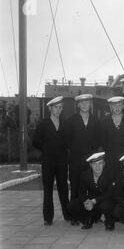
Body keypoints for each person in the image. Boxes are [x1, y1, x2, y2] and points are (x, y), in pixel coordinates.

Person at [32, 96, 72, 226]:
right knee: (48, 190)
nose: (58, 110)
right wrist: (46, 149)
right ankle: (48, 218)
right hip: (48, 162)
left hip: (61, 161)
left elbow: (67, 141)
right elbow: (35, 141)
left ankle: (67, 215)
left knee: (64, 189)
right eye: (56, 107)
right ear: (50, 108)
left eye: (60, 107)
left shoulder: (65, 123)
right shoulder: (43, 123)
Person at [65, 94, 101, 202]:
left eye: (87, 103)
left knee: (91, 187)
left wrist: (92, 151)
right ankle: (74, 214)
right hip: (75, 160)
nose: (85, 105)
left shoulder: (95, 120)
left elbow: (99, 138)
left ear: (90, 104)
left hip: (91, 160)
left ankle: (90, 215)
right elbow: (67, 139)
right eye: (82, 103)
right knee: (75, 186)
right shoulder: (71, 120)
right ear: (78, 105)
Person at [67, 152, 116, 230]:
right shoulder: (85, 175)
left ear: (104, 164)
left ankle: (109, 222)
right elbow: (81, 191)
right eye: (94, 164)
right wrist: (85, 201)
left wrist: (94, 201)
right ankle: (88, 219)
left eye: (100, 163)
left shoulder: (110, 174)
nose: (97, 167)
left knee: (106, 205)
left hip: (105, 199)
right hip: (92, 200)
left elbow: (110, 193)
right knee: (71, 206)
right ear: (90, 165)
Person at [101, 96, 124, 175]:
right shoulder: (104, 122)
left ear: (123, 106)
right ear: (110, 107)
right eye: (114, 106)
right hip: (110, 159)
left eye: (119, 105)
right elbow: (103, 141)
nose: (117, 108)